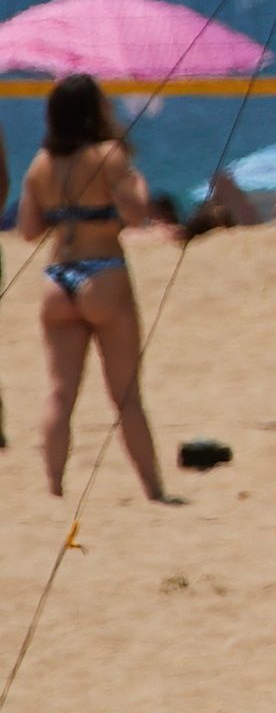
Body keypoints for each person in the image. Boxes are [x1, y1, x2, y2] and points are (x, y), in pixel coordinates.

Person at [18, 75, 172, 503]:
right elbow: (137, 214)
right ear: (95, 110)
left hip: (57, 278)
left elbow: (29, 231)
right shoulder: (110, 155)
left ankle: (53, 489)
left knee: (59, 392)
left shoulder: (40, 163)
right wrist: (132, 175)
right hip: (103, 271)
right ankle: (154, 489)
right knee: (126, 394)